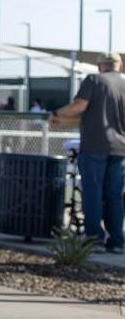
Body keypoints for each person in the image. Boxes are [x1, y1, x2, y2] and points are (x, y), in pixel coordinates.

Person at [51, 52, 125, 253]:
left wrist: (57, 113)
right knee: (115, 195)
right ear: (119, 65)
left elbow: (79, 107)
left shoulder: (94, 80)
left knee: (93, 193)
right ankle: (118, 240)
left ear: (100, 65)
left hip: (94, 145)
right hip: (120, 148)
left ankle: (95, 239)